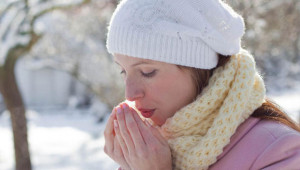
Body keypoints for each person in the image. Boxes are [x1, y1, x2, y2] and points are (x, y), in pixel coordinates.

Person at [103, 0, 300, 169]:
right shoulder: (149, 151)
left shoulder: (280, 152)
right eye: (123, 71)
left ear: (198, 68)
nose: (130, 93)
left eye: (147, 72)